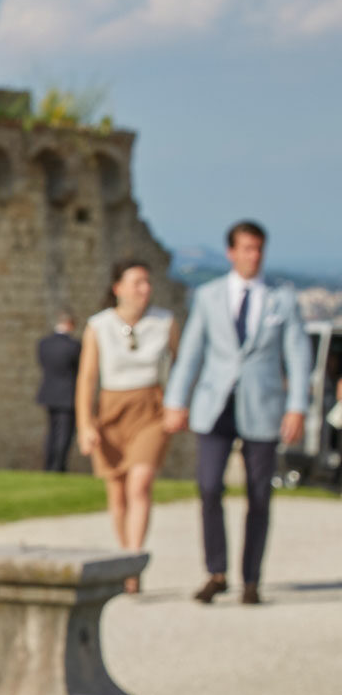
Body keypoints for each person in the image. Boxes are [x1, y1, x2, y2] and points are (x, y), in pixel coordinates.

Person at [163, 220, 312, 605]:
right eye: (246, 248)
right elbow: (191, 353)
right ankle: (217, 570)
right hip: (215, 405)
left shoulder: (283, 299)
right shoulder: (209, 296)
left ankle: (251, 579)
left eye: (258, 249)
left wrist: (297, 407)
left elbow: (298, 357)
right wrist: (176, 401)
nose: (253, 256)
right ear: (231, 252)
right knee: (209, 486)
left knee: (259, 495)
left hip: (262, 407)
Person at [75, 262, 177, 592]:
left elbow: (181, 366)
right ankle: (124, 556)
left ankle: (133, 563)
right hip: (110, 410)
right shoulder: (98, 326)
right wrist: (85, 423)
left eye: (147, 282)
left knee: (140, 483)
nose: (145, 289)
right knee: (117, 492)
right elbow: (88, 377)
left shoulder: (165, 322)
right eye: (137, 283)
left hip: (151, 410)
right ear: (118, 287)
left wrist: (177, 404)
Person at [36, 313, 83, 472]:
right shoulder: (74, 346)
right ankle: (58, 467)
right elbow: (79, 370)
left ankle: (48, 465)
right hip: (68, 394)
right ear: (71, 324)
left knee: (51, 432)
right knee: (64, 434)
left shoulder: (44, 344)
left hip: (49, 393)